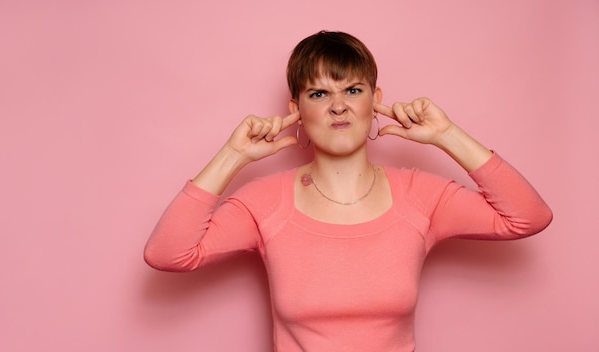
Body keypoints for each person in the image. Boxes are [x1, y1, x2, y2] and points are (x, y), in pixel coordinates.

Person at [144, 31, 552, 352]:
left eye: (352, 90)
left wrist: (447, 135)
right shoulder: (265, 201)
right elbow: (167, 254)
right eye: (319, 94)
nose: (338, 106)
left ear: (375, 100)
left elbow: (528, 217)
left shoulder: (420, 195)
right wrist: (232, 156)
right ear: (296, 110)